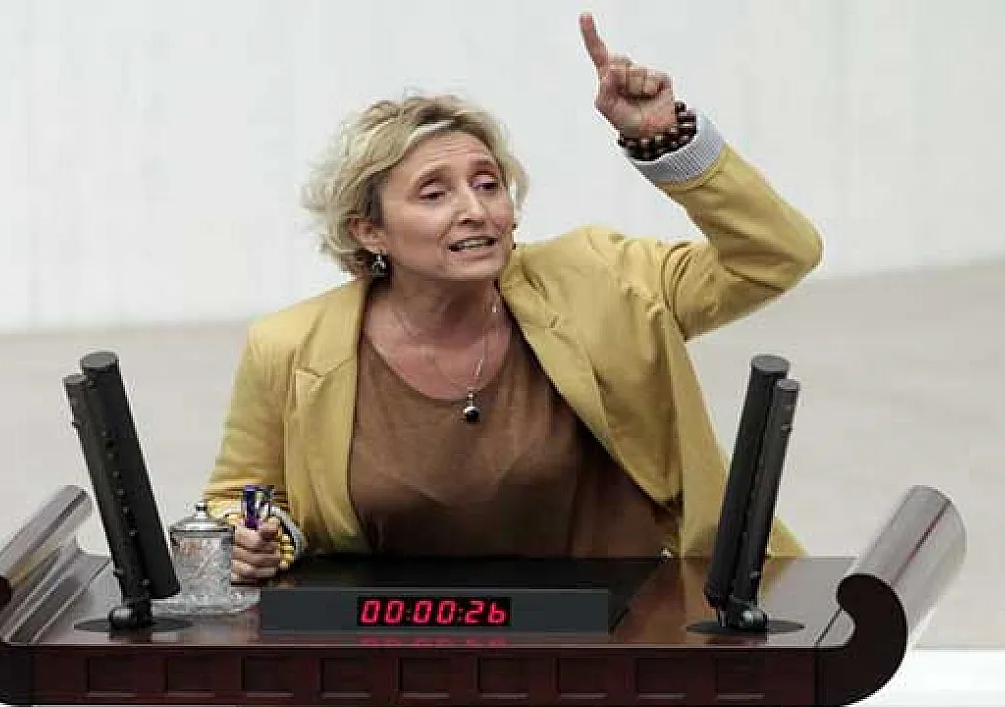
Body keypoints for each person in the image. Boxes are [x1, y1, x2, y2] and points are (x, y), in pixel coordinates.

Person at [203, 12, 822, 583]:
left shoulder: (603, 278)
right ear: (370, 230)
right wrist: (260, 538)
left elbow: (777, 254)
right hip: (400, 651)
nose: (475, 210)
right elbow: (238, 500)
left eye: (487, 184)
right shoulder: (289, 346)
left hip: (622, 640)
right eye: (434, 194)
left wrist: (666, 141)